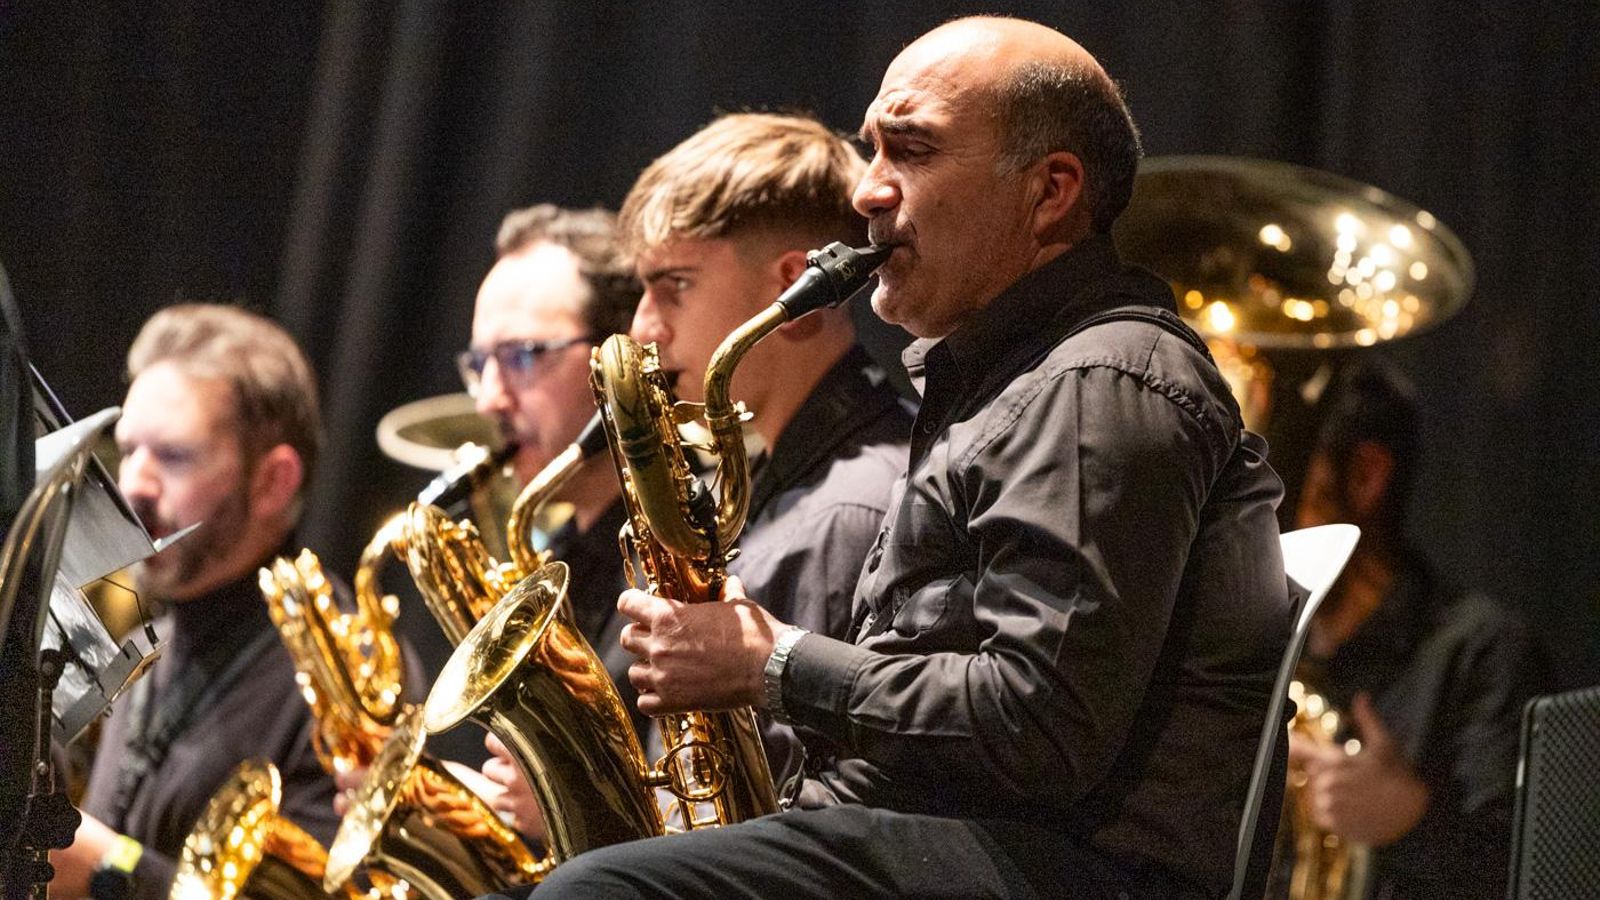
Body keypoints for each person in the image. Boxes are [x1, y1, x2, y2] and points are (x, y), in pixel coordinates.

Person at [521, 15, 1290, 899]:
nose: (868, 193)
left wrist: (772, 663)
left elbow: (1040, 726)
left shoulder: (1100, 377)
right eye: (871, 150)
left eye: (912, 153)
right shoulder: (1007, 383)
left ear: (1051, 191)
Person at [619, 111, 913, 786]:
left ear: (792, 291)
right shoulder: (788, 479)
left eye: (676, 285)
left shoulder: (843, 515)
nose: (642, 326)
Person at [52, 304, 334, 899]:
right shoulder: (157, 622)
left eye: (174, 456)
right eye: (128, 450)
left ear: (273, 481)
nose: (132, 485)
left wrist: (107, 869)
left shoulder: (339, 674)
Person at [1283, 361, 1538, 899]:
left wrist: (1411, 821)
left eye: (1283, 465)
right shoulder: (1256, 652)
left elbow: (1533, 879)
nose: (1258, 502)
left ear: (1366, 476)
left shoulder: (1483, 652)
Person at [452, 204, 642, 838]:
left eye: (524, 356)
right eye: (480, 363)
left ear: (620, 353)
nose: (488, 398)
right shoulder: (557, 552)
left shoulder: (698, 547)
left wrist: (576, 810)